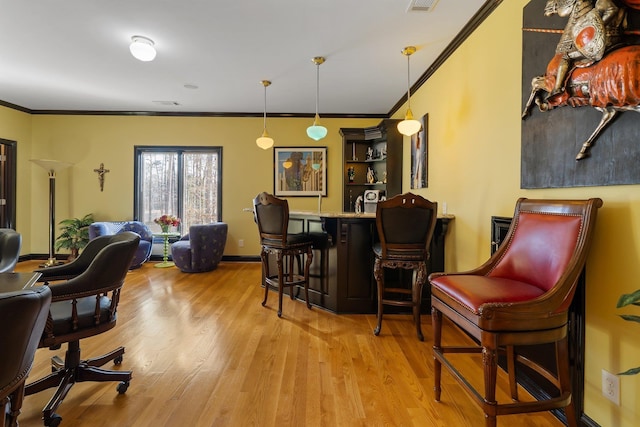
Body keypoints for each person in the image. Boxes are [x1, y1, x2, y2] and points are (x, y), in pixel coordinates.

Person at [544, 0, 626, 97]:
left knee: (566, 56)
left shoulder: (601, 2)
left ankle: (557, 88)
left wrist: (599, 26)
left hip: (603, 40)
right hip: (615, 38)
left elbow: (612, 10)